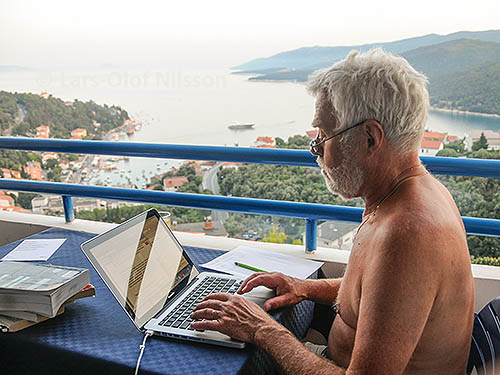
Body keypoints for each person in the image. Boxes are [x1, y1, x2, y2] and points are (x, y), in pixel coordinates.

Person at [190, 49, 475, 375]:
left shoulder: (407, 233)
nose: (316, 151)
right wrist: (302, 286)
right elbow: (382, 296)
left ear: (370, 138)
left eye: (324, 135)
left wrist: (262, 329)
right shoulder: (410, 196)